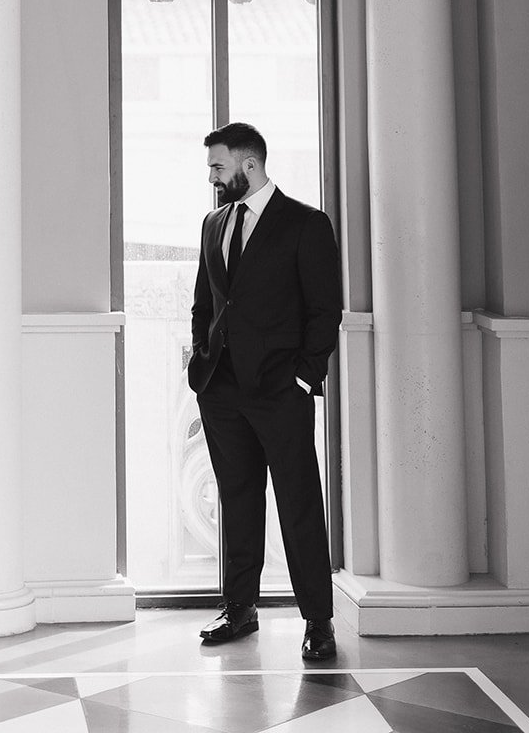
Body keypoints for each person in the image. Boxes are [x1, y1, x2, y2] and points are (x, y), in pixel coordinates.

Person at [187, 121, 342, 662]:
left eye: (217, 167)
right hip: (221, 390)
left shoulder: (306, 224)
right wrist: (201, 362)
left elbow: (325, 311)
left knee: (299, 501)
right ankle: (240, 608)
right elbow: (205, 303)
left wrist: (304, 375)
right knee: (238, 498)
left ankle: (319, 622)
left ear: (248, 165)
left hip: (281, 391)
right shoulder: (212, 224)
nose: (211, 178)